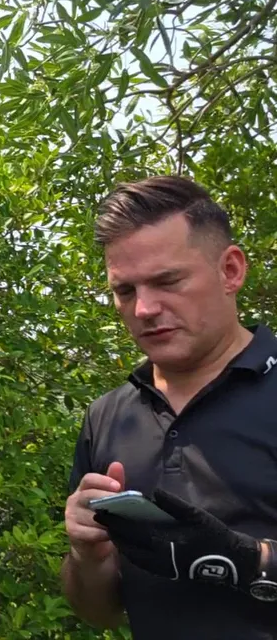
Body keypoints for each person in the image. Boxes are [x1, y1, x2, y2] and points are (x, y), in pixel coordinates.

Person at [62, 175, 277, 637]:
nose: (144, 309)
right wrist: (87, 555)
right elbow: (100, 611)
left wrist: (247, 560)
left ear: (230, 271)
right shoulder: (108, 417)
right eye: (125, 291)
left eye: (168, 281)